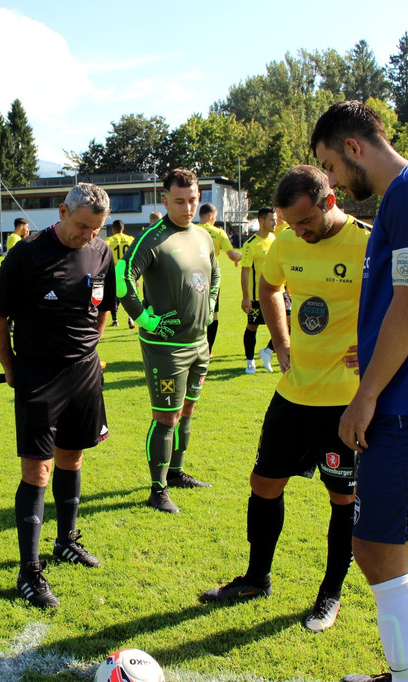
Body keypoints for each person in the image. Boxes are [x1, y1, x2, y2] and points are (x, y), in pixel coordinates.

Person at [312, 100, 408, 682]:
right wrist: (373, 350)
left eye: (329, 165)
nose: (330, 181)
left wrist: (367, 392)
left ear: (353, 148)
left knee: (376, 549)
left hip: (406, 409)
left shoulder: (407, 193)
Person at [201, 166, 369, 636]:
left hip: (344, 401)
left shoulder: (367, 244)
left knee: (343, 496)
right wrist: (281, 341)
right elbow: (269, 287)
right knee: (264, 481)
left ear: (330, 202)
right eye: (288, 224)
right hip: (293, 392)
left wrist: (372, 346)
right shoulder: (287, 244)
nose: (297, 232)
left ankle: (330, 593)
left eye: (304, 222)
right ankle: (257, 578)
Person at [0, 182, 116, 608]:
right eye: (81, 227)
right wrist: (11, 367)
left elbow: (102, 307)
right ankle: (28, 570)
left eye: (95, 229)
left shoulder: (101, 251)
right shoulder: (26, 254)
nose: (87, 236)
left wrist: (90, 352)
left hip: (84, 375)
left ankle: (66, 541)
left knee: (72, 457)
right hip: (39, 376)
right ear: (62, 211)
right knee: (36, 472)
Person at [118, 168, 220, 513]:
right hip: (167, 348)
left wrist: (212, 306)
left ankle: (176, 472)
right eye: (179, 201)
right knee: (166, 417)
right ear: (165, 201)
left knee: (187, 410)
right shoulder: (153, 237)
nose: (187, 207)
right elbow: (122, 280)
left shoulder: (204, 236)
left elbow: (215, 273)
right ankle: (157, 489)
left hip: (200, 343)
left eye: (193, 200)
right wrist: (147, 319)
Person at [196, 203, 242, 355]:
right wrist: (246, 255)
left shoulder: (191, 229)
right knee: (213, 313)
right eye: (214, 217)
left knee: (193, 312)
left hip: (192, 277)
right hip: (211, 278)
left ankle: (192, 346)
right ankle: (208, 350)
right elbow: (233, 255)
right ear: (210, 216)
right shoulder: (219, 233)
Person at [239, 207, 279, 374]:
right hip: (257, 297)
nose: (275, 222)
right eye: (272, 219)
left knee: (289, 325)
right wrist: (246, 297)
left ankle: (267, 352)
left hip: (278, 293)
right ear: (261, 221)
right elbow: (245, 271)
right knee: (252, 327)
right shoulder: (250, 245)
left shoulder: (276, 239)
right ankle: (250, 362)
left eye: (275, 219)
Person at [105, 219, 136, 328]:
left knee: (115, 297)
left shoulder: (110, 240)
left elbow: (104, 250)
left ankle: (115, 320)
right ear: (123, 228)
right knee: (130, 295)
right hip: (128, 271)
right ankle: (131, 318)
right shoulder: (130, 239)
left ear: (113, 229)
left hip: (115, 271)